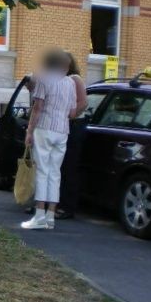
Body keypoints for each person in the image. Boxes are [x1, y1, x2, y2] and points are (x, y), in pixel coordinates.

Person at [21, 49, 78, 230]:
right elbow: (73, 112)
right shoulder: (70, 83)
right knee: (55, 173)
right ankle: (50, 216)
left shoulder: (44, 79)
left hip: (44, 128)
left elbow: (37, 108)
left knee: (42, 171)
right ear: (63, 65)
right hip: (63, 131)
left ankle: (39, 215)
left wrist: (29, 132)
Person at [56, 52, 88, 219]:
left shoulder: (75, 79)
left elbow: (83, 103)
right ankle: (53, 204)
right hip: (62, 126)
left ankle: (67, 207)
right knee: (57, 167)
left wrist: (70, 115)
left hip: (74, 126)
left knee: (69, 167)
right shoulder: (58, 80)